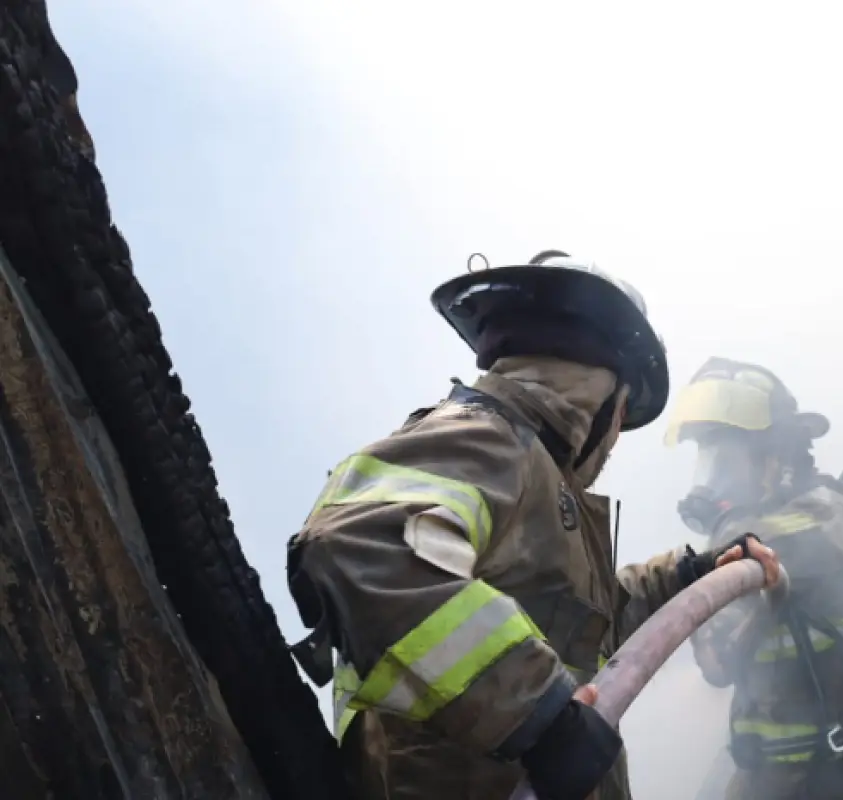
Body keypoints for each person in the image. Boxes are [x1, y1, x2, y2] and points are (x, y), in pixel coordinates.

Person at [284, 252, 781, 800]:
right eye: (621, 417)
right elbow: (362, 547)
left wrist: (690, 572)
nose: (615, 440)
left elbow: (587, 628)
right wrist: (541, 717)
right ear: (601, 396)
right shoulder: (488, 439)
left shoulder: (539, 481)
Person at [665, 356, 843, 800]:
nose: (715, 481)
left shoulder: (807, 522)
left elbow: (716, 666)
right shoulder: (804, 515)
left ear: (774, 459)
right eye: (710, 462)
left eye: (727, 461)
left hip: (821, 776)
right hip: (792, 771)